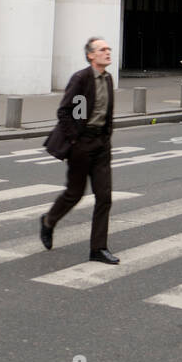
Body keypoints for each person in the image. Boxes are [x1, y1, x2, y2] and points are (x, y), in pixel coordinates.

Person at [40, 37, 118, 263]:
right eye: (102, 49)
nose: (108, 52)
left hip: (101, 144)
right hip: (82, 145)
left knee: (104, 197)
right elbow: (67, 111)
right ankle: (48, 221)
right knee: (74, 194)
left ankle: (98, 249)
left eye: (108, 49)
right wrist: (75, 140)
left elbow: (105, 111)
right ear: (91, 55)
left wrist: (105, 137)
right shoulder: (82, 79)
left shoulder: (107, 78)